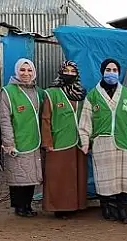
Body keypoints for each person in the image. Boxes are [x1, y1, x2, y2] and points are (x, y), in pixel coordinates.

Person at [78, 58, 127, 224]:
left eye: (115, 70)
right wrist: (85, 142)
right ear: (102, 72)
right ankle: (106, 207)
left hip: (124, 142)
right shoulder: (93, 96)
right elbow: (85, 121)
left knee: (123, 179)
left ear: (119, 73)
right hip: (102, 142)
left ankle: (122, 209)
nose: (111, 73)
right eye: (108, 70)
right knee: (104, 178)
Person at [41, 60, 89, 219]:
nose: (69, 74)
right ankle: (59, 208)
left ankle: (75, 205)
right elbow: (46, 119)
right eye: (66, 70)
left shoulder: (81, 93)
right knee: (59, 176)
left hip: (78, 141)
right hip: (58, 141)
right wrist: (47, 142)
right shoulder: (51, 92)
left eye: (72, 71)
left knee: (76, 176)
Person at [0, 58, 46, 217]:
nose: (26, 73)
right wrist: (8, 142)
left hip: (35, 139)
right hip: (17, 140)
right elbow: (5, 119)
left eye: (29, 70)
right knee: (18, 177)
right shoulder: (8, 92)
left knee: (31, 176)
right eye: (22, 70)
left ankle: (27, 205)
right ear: (16, 71)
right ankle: (19, 206)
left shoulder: (38, 92)